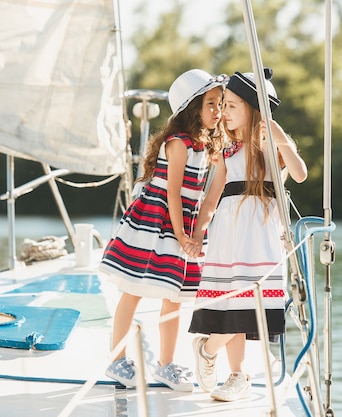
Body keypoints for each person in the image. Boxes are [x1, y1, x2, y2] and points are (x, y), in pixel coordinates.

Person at [99, 69, 225, 392]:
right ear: (191, 108)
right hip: (155, 224)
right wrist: (182, 235)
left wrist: (195, 232)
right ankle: (117, 358)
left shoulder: (206, 144)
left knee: (175, 296)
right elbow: (172, 193)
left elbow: (205, 192)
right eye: (211, 103)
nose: (217, 110)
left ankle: (166, 364)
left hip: (181, 224)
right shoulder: (179, 144)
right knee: (134, 288)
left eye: (220, 103)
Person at [188, 68, 308, 401]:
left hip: (262, 235)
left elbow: (299, 174)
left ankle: (208, 349)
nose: (223, 113)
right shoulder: (226, 151)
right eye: (223, 105)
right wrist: (198, 233)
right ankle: (238, 374)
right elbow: (212, 196)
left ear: (253, 109)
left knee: (251, 302)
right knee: (233, 304)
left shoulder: (273, 143)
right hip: (229, 233)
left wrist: (280, 136)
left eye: (231, 106)